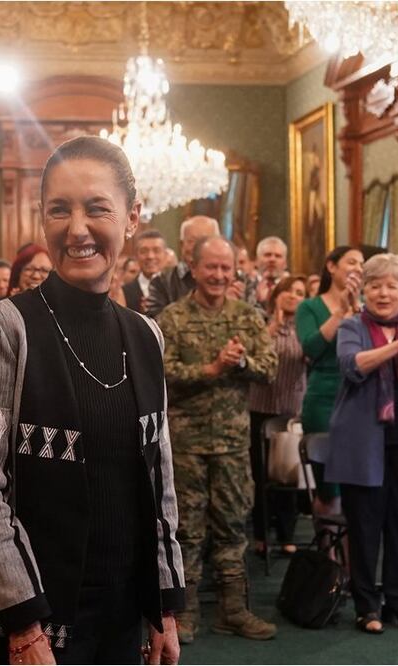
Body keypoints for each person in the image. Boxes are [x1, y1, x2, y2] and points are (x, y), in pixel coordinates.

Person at [0, 136, 183, 664]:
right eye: (60, 210)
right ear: (42, 219)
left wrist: (165, 604)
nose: (76, 228)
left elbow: (159, 481)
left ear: (131, 217)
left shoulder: (146, 335)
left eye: (97, 208)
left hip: (122, 613)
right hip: (32, 620)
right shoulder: (1, 327)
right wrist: (25, 623)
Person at [158, 235, 279, 644]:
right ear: (194, 268)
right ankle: (183, 613)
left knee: (232, 526)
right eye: (211, 267)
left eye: (226, 268)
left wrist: (240, 362)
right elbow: (162, 372)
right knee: (187, 530)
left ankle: (234, 609)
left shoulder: (247, 317)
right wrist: (211, 369)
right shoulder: (172, 318)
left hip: (231, 442)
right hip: (187, 442)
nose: (219, 275)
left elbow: (268, 368)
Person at [326, 253, 398, 634]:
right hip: (362, 445)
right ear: (365, 290)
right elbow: (352, 366)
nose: (383, 292)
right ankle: (366, 607)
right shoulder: (351, 325)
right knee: (365, 529)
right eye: (375, 285)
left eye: (392, 285)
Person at [296, 246, 364, 514]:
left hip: (358, 396)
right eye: (351, 262)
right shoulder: (309, 307)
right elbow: (311, 348)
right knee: (329, 488)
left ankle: (352, 553)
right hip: (324, 396)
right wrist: (340, 313)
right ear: (332, 266)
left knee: (355, 486)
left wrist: (356, 309)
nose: (358, 268)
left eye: (362, 264)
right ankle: (329, 554)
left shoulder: (365, 307)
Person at [249, 276, 308, 556]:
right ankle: (261, 534)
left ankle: (287, 534)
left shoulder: (306, 328)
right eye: (289, 291)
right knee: (261, 477)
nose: (293, 296)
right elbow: (254, 354)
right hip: (260, 408)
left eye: (300, 293)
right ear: (277, 294)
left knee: (288, 477)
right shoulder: (260, 321)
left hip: (291, 411)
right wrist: (274, 325)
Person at [143, 216, 219, 318]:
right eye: (192, 241)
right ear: (182, 245)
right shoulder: (161, 281)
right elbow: (156, 326)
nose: (198, 247)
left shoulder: (234, 280)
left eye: (205, 241)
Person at [123, 229, 167, 312]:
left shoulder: (174, 288)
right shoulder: (124, 292)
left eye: (156, 250)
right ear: (136, 256)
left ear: (165, 255)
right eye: (144, 251)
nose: (150, 256)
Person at [246, 237, 289, 308]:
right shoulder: (245, 287)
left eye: (278, 256)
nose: (272, 259)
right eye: (267, 255)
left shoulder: (292, 290)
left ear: (285, 264)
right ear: (256, 261)